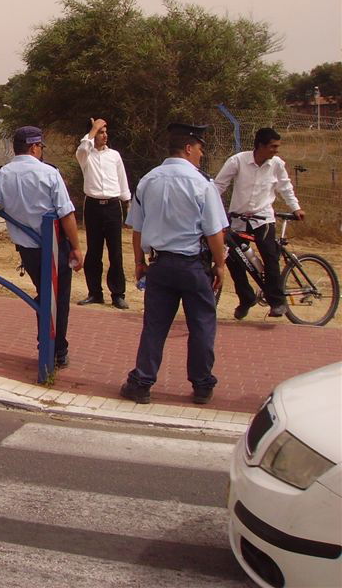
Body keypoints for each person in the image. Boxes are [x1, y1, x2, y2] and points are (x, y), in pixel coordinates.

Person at [120, 123, 228, 406]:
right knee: (202, 325)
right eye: (200, 150)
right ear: (189, 148)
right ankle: (202, 386)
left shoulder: (148, 180)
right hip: (193, 266)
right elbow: (215, 232)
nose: (201, 156)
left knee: (155, 326)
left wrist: (140, 262)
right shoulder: (202, 184)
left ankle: (142, 383)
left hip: (160, 265)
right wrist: (220, 265)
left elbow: (137, 230)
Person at [0, 126, 83, 367]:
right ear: (34, 146)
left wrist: (6, 207)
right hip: (54, 247)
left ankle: (47, 341)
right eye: (40, 147)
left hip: (27, 249)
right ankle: (56, 349)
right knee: (58, 298)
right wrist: (76, 247)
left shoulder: (1, 175)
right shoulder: (49, 173)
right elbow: (66, 214)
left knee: (45, 294)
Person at [213, 127, 304, 319]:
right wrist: (206, 207)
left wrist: (295, 207)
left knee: (270, 257)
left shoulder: (276, 164)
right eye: (273, 146)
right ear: (260, 145)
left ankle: (277, 302)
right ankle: (246, 298)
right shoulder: (237, 161)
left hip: (263, 220)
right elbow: (218, 186)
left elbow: (285, 187)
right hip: (238, 219)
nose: (276, 150)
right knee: (232, 259)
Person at [75, 117, 132, 309]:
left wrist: (127, 202)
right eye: (100, 131)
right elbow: (83, 148)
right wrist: (93, 129)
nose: (104, 134)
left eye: (105, 131)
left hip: (112, 206)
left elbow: (122, 179)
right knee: (94, 251)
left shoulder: (114, 155)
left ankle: (118, 294)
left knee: (115, 252)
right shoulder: (85, 155)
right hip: (93, 206)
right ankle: (94, 293)